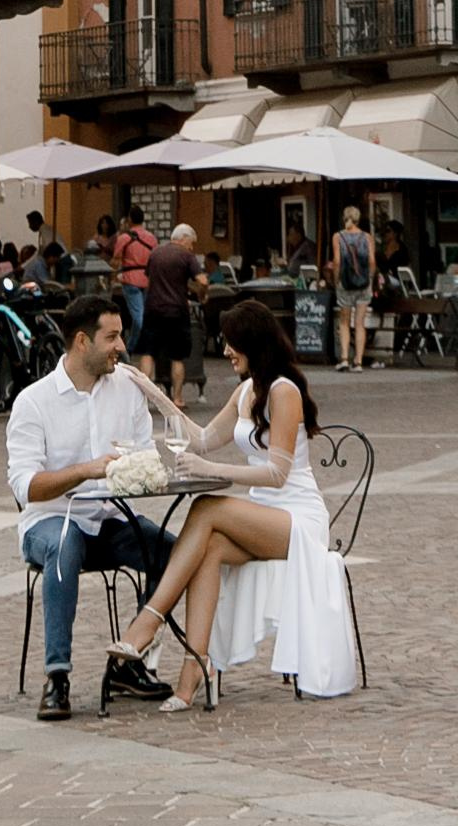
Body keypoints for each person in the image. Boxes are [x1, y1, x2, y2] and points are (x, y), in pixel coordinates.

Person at [107, 297, 358, 707]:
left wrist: (214, 472)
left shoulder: (283, 391)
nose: (224, 351)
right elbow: (201, 438)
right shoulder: (246, 392)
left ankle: (146, 624)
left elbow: (277, 474)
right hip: (261, 517)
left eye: (231, 343)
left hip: (297, 520)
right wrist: (153, 393)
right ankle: (195, 668)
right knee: (209, 549)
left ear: (253, 344)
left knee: (207, 506)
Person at [3, 292, 175, 722]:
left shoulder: (128, 390)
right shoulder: (34, 402)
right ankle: (57, 677)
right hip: (52, 521)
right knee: (65, 544)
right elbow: (26, 487)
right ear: (82, 341)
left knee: (176, 552)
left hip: (112, 520)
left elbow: (140, 457)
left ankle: (128, 664)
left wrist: (146, 472)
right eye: (112, 337)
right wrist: (85, 471)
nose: (121, 346)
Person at [140, 219, 203, 405]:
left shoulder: (155, 253)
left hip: (152, 309)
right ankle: (177, 398)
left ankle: (142, 398)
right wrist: (201, 293)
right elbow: (202, 280)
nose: (191, 247)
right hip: (176, 311)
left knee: (148, 352)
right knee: (177, 357)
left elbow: (148, 280)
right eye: (191, 243)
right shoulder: (186, 256)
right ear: (183, 239)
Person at [329, 206, 375, 373]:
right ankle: (359, 361)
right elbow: (371, 260)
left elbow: (337, 260)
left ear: (344, 218)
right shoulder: (367, 237)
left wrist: (336, 280)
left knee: (344, 322)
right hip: (363, 283)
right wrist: (370, 279)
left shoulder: (338, 236)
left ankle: (344, 358)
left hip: (346, 283)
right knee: (360, 323)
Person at [112, 205, 155, 356]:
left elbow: (116, 259)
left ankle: (130, 347)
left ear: (130, 219)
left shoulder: (124, 238)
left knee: (138, 317)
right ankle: (141, 345)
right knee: (143, 315)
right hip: (148, 279)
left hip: (130, 279)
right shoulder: (151, 238)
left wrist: (113, 277)